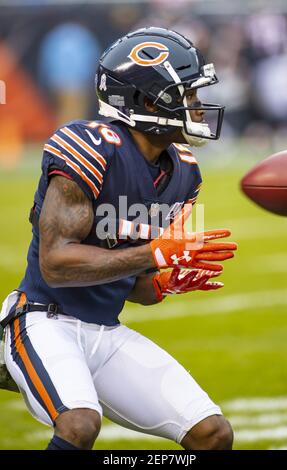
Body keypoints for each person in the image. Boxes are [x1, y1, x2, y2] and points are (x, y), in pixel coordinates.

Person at [0, 27, 237, 450]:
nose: (199, 107)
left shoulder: (184, 170)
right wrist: (155, 251)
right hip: (42, 318)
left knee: (212, 434)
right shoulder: (91, 145)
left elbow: (136, 288)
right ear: (150, 102)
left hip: (104, 331)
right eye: (188, 94)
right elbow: (56, 264)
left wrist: (161, 280)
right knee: (79, 424)